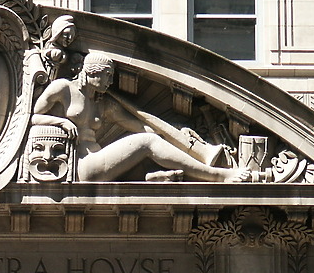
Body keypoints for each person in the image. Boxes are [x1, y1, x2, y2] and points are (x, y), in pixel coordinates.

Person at [31, 51, 250, 183]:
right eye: (107, 76)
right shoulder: (62, 88)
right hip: (80, 166)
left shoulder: (104, 105)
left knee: (149, 140)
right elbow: (32, 118)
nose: (109, 82)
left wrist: (178, 132)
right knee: (147, 143)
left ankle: (149, 177)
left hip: (98, 163)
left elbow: (144, 129)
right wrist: (60, 121)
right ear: (91, 72)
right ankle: (217, 176)